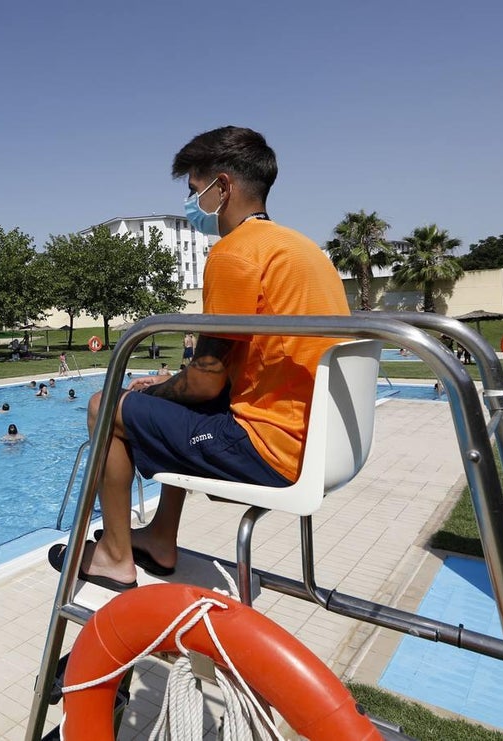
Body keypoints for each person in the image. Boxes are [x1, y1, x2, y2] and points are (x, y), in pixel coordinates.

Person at [49, 126, 351, 591]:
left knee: (103, 406)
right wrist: (175, 388)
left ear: (223, 187)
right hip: (321, 443)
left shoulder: (235, 255)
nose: (194, 204)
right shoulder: (304, 250)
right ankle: (161, 538)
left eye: (195, 191)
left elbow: (206, 383)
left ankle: (114, 554)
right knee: (175, 403)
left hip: (270, 450)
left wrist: (157, 387)